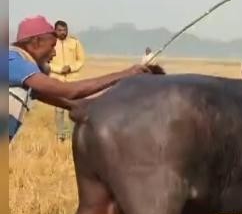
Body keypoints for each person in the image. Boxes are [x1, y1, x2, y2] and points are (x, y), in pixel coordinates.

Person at [9, 15, 149, 141]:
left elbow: (46, 95)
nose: (53, 53)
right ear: (36, 42)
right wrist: (126, 74)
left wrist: (78, 105)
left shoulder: (18, 64)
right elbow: (67, 91)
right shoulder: (14, 62)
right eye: (52, 46)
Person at [48, 20, 86, 141]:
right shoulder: (50, 44)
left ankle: (72, 135)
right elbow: (46, 62)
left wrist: (71, 68)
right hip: (57, 81)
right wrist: (59, 69)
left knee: (73, 108)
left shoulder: (75, 43)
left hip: (72, 81)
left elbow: (81, 60)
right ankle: (61, 135)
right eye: (60, 30)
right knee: (59, 110)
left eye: (64, 30)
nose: (63, 32)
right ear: (55, 31)